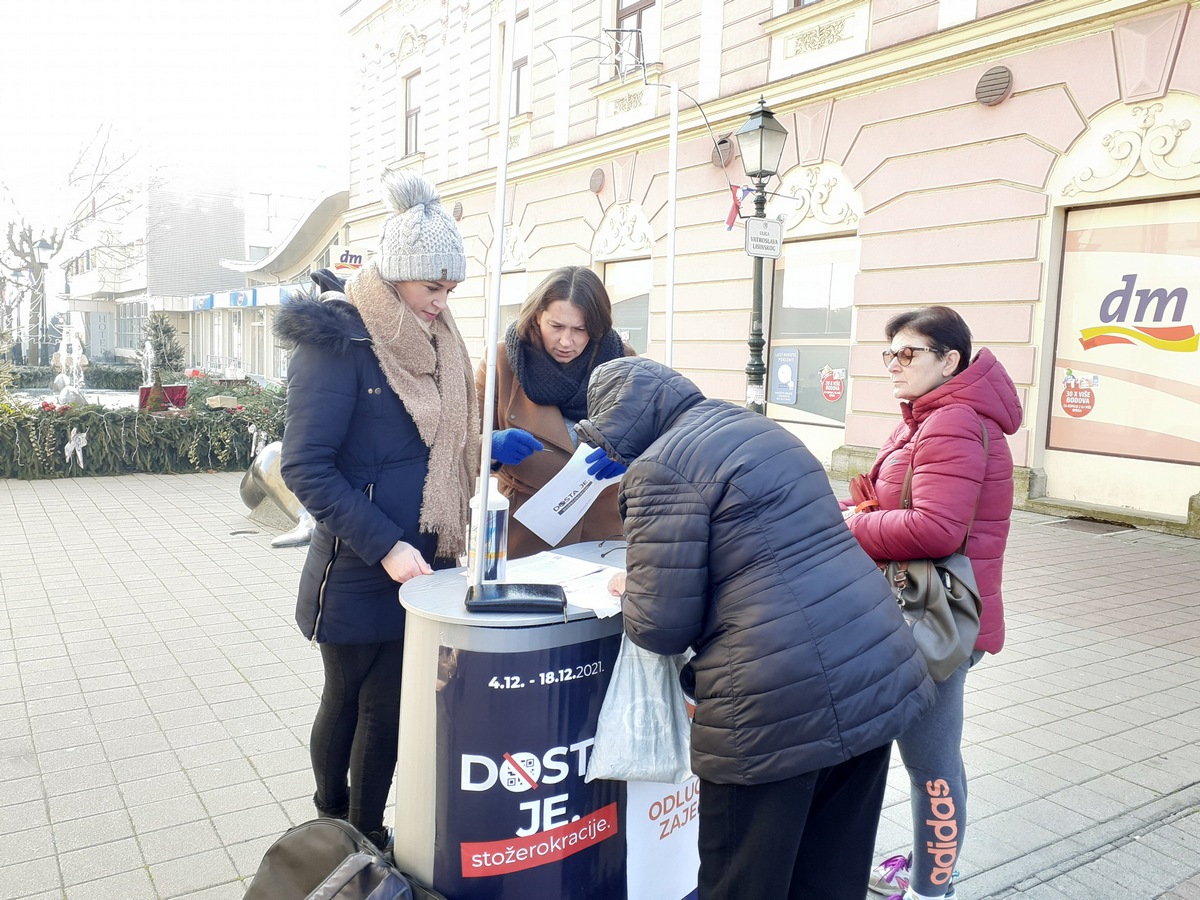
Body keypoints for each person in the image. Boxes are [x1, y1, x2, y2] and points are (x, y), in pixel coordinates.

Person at [580, 356, 937, 900]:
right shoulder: (761, 429)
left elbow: (660, 626)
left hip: (773, 704)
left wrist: (632, 590)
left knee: (743, 882)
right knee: (831, 875)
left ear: (620, 422)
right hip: (874, 670)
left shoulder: (659, 468)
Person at [274, 167, 479, 851]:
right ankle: (331, 821)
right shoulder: (338, 341)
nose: (441, 302)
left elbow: (447, 440)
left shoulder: (441, 344)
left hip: (429, 562)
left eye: (450, 290)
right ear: (396, 274)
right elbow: (304, 466)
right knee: (348, 699)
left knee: (389, 709)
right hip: (362, 561)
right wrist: (386, 544)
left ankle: (367, 833)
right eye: (432, 287)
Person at [842, 306, 1022, 900]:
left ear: (949, 360)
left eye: (908, 354)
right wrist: (866, 508)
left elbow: (938, 529)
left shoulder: (951, 421)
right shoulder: (927, 417)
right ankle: (930, 873)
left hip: (934, 619)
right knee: (932, 758)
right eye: (889, 353)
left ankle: (930, 889)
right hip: (920, 611)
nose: (894, 365)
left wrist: (843, 526)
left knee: (931, 764)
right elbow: (904, 499)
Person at [477, 265, 634, 558]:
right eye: (556, 326)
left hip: (603, 531)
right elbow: (461, 439)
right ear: (537, 317)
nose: (566, 341)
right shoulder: (502, 360)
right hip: (528, 529)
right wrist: (492, 447)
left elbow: (655, 434)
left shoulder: (622, 361)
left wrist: (632, 455)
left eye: (580, 330)